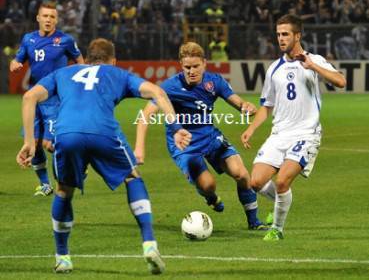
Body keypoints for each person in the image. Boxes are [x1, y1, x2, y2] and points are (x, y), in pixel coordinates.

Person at [16, 38, 191, 274]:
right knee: (132, 177)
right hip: (103, 132)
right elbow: (157, 92)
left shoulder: (63, 73)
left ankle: (63, 257)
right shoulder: (117, 73)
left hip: (67, 134)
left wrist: (29, 141)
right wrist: (175, 128)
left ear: (86, 59)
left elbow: (29, 98)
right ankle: (149, 243)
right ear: (113, 60)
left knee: (63, 189)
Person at [134, 41, 268, 230]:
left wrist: (247, 107)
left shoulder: (214, 82)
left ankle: (254, 222)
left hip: (211, 137)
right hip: (184, 145)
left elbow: (239, 103)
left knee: (241, 174)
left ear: (204, 63)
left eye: (196, 66)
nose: (191, 71)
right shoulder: (169, 87)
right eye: (187, 67)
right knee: (208, 185)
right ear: (181, 65)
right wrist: (139, 147)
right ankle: (211, 198)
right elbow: (144, 116)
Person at [241, 14, 346, 241]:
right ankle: (282, 201)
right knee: (256, 181)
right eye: (278, 34)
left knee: (281, 181)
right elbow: (266, 106)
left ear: (297, 35)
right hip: (279, 134)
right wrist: (251, 128)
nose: (280, 38)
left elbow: (340, 81)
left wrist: (313, 67)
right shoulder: (273, 69)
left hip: (306, 134)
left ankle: (277, 229)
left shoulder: (313, 60)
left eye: (285, 34)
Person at [10, 2, 84, 196]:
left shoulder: (65, 40)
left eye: (52, 17)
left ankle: (78, 165)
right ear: (38, 18)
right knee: (33, 141)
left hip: (56, 97)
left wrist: (79, 81)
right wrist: (14, 64)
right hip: (35, 97)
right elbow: (18, 59)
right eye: (45, 16)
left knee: (50, 144)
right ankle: (45, 184)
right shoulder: (29, 39)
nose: (48, 20)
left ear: (56, 20)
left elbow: (80, 61)